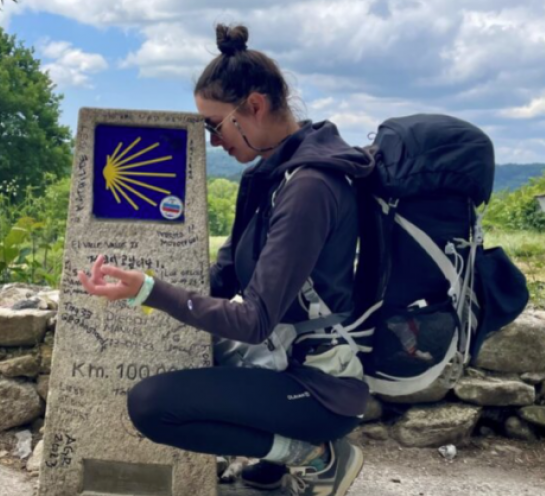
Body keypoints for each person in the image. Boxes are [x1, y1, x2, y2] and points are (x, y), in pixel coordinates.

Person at [78, 24, 375, 496]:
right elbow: (225, 277)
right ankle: (272, 464)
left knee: (153, 405)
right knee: (174, 355)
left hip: (320, 384)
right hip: (279, 363)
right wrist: (136, 286)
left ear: (254, 107)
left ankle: (316, 458)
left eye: (214, 125)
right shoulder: (267, 179)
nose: (212, 142)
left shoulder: (310, 188)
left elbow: (254, 319)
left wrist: (151, 291)